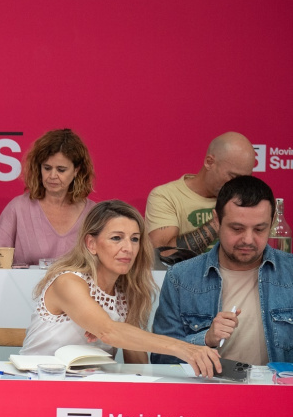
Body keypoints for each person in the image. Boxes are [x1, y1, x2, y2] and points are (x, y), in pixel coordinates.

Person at [19, 200, 221, 377]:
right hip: (35, 385)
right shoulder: (68, 281)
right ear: (91, 244)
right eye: (116, 238)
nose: (128, 248)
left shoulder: (127, 294)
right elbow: (109, 331)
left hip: (88, 391)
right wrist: (184, 348)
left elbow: (138, 366)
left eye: (134, 239)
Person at [151, 176, 292, 365]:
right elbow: (161, 358)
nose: (248, 239)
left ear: (273, 221)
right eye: (237, 228)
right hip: (207, 384)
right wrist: (205, 339)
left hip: (278, 384)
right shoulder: (181, 278)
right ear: (216, 221)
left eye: (259, 229)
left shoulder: (290, 273)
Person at [0, 129, 97, 266]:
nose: (52, 176)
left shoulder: (94, 213)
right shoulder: (18, 208)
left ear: (76, 170)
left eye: (61, 170)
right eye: (47, 168)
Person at [145, 132, 256, 262]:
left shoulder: (248, 199)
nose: (238, 186)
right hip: (185, 274)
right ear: (209, 162)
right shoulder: (167, 196)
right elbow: (164, 254)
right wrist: (219, 221)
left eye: (244, 179)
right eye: (233, 177)